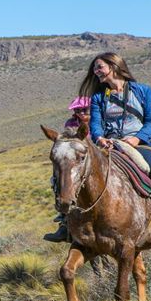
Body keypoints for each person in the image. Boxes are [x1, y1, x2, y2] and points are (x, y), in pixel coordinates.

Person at [86, 52, 151, 240]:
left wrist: (137, 139)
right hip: (111, 144)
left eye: (99, 67)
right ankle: (71, 222)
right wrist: (99, 138)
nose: (96, 71)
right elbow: (96, 124)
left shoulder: (143, 91)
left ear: (113, 66)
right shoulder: (99, 98)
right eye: (94, 68)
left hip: (140, 143)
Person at [43, 95, 92, 242]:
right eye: (78, 110)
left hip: (97, 154)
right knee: (57, 179)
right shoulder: (71, 123)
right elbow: (69, 141)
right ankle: (64, 219)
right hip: (78, 158)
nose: (82, 112)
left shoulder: (98, 118)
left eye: (85, 109)